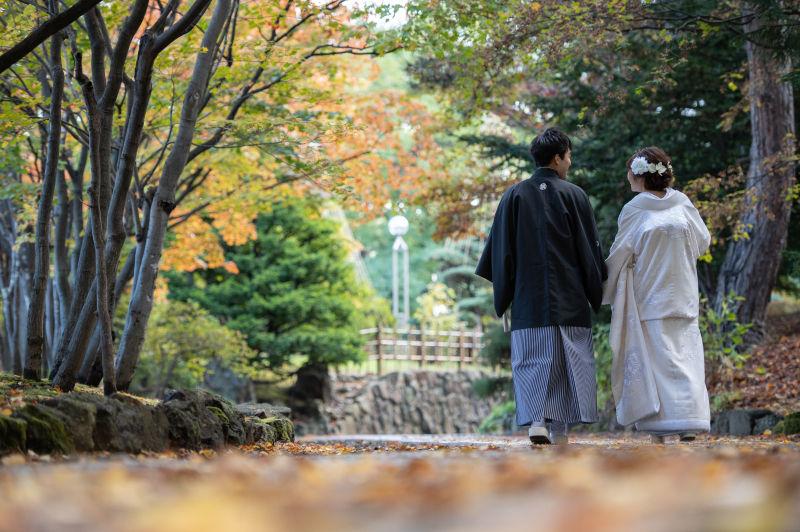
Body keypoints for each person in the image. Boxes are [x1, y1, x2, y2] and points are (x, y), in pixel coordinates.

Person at [475, 127, 608, 444]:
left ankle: (537, 422)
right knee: (567, 361)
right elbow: (590, 252)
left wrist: (505, 296)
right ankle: (560, 429)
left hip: (528, 298)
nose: (569, 162)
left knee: (532, 360)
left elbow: (501, 252)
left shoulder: (514, 195)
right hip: (570, 297)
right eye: (569, 156)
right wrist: (596, 290)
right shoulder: (575, 195)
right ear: (558, 156)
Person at [602, 147, 712, 443]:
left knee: (659, 361)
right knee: (682, 359)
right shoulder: (683, 203)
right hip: (683, 289)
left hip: (650, 292)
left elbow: (621, 252)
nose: (627, 178)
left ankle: (662, 428)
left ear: (639, 175)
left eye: (629, 172)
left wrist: (600, 283)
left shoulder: (635, 209)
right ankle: (687, 423)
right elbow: (703, 241)